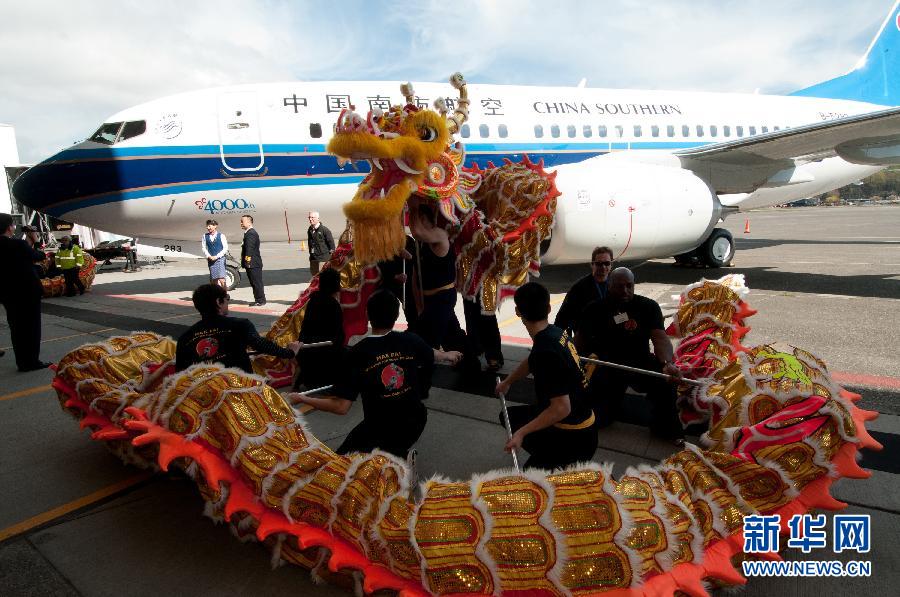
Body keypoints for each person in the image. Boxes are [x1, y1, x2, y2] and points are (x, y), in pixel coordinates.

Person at [289, 290, 462, 459]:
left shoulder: (358, 353)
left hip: (381, 427)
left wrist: (302, 399)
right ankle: (395, 455)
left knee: (342, 467)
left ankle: (397, 460)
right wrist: (447, 355)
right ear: (396, 316)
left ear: (368, 314)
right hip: (415, 421)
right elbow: (432, 353)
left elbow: (340, 406)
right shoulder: (410, 340)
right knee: (372, 448)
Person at [495, 282, 597, 470]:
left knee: (531, 484)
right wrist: (509, 381)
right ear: (549, 308)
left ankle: (559, 462)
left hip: (575, 439)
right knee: (508, 416)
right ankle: (549, 458)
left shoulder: (545, 351)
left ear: (518, 312)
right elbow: (532, 360)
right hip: (586, 424)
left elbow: (561, 408)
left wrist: (521, 434)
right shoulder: (555, 333)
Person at [575, 267, 684, 442]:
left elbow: (660, 338)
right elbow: (579, 342)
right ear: (609, 286)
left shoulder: (648, 307)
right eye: (619, 286)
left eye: (629, 286)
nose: (625, 291)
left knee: (665, 384)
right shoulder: (594, 309)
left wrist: (667, 363)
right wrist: (571, 360)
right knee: (599, 419)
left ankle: (665, 429)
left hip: (640, 361)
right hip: (608, 365)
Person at [175, 283, 300, 373]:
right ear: (219, 302)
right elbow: (260, 344)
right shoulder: (239, 325)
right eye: (227, 299)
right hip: (238, 389)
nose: (228, 302)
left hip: (204, 394)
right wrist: (289, 353)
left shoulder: (185, 338)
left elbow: (181, 372)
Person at [0, 213, 50, 371]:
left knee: (16, 328)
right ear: (9, 227)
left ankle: (21, 361)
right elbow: (39, 256)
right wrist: (34, 240)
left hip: (7, 293)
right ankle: (31, 362)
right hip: (27, 292)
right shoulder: (18, 245)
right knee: (31, 328)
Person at [294, 267, 345, 390]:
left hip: (306, 351)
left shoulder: (313, 300)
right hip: (323, 353)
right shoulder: (333, 305)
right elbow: (338, 336)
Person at [554, 246, 614, 334]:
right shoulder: (579, 288)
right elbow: (563, 316)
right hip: (586, 338)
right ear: (592, 264)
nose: (603, 267)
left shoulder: (617, 284)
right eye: (599, 264)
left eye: (607, 263)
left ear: (611, 265)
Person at [240, 215, 266, 306]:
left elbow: (249, 250)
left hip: (253, 263)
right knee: (254, 282)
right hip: (252, 263)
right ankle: (258, 299)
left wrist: (247, 262)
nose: (241, 223)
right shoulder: (248, 232)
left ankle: (260, 300)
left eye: (242, 221)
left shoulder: (251, 233)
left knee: (256, 282)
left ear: (248, 222)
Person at [306, 211, 335, 275]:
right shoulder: (310, 229)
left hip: (323, 259)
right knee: (314, 277)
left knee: (323, 278)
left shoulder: (324, 230)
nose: (310, 219)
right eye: (309, 217)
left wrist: (329, 257)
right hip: (313, 259)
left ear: (318, 218)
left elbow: (332, 245)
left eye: (312, 217)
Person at [202, 220, 228, 287]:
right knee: (214, 280)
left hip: (220, 259)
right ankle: (215, 295)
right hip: (211, 259)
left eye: (209, 226)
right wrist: (208, 256)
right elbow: (204, 247)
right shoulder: (205, 236)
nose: (208, 228)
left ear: (215, 226)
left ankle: (224, 295)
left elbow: (225, 248)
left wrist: (217, 256)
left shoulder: (221, 236)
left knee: (222, 279)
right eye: (207, 226)